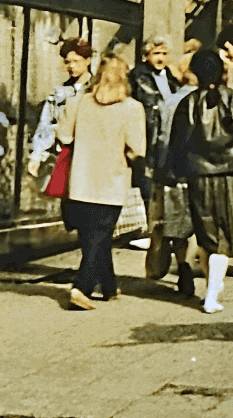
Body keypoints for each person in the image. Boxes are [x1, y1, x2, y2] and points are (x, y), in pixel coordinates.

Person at [168, 49, 233, 313]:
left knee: (207, 233)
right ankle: (212, 292)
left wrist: (175, 175)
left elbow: (178, 145)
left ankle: (211, 287)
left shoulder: (187, 104)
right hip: (231, 175)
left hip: (198, 176)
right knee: (225, 236)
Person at [56, 56, 146, 310]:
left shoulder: (78, 102)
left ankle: (108, 285)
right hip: (112, 181)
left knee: (93, 236)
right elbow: (137, 148)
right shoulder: (132, 108)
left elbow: (64, 135)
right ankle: (81, 287)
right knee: (101, 234)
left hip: (80, 180)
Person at [129, 37, 196, 295]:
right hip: (151, 147)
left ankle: (173, 258)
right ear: (146, 54)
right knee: (159, 205)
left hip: (169, 151)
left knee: (171, 209)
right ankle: (171, 256)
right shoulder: (137, 76)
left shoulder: (171, 79)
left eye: (165, 53)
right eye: (157, 53)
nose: (161, 58)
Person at [28, 38, 94, 180]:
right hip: (64, 154)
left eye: (76, 61)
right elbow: (45, 125)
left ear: (88, 60)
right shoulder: (59, 92)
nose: (71, 66)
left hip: (91, 156)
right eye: (67, 62)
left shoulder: (98, 90)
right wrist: (36, 157)